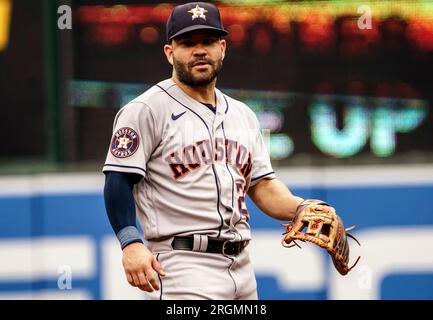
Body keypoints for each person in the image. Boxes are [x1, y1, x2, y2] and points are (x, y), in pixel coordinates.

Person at [103, 1, 304, 300]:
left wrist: (301, 207)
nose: (200, 50)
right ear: (170, 53)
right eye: (187, 43)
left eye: (208, 41)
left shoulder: (243, 114)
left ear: (222, 47)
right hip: (181, 266)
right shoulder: (146, 110)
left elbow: (262, 186)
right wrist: (130, 242)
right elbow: (118, 180)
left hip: (242, 267)